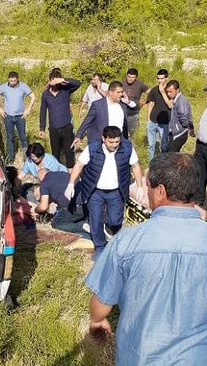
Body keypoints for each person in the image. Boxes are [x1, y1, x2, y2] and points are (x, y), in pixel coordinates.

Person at [85, 152, 207, 366]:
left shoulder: (126, 242)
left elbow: (102, 299)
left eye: (148, 185)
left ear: (160, 191)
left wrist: (97, 320)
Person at [66, 126, 143, 259]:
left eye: (117, 142)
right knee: (95, 219)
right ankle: (100, 247)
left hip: (116, 191)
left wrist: (140, 186)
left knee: (115, 219)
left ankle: (109, 231)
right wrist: (71, 184)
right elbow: (79, 165)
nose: (114, 145)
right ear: (103, 139)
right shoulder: (92, 148)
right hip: (95, 191)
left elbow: (135, 166)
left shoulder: (127, 148)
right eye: (111, 142)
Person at [39, 70, 80, 169]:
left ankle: (71, 178)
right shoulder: (45, 94)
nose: (54, 84)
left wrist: (62, 80)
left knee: (69, 153)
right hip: (53, 129)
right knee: (55, 154)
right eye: (52, 81)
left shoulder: (66, 90)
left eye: (56, 82)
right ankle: (57, 175)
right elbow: (43, 111)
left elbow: (77, 83)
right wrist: (42, 128)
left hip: (66, 127)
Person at [34, 168, 90, 239]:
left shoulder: (44, 183)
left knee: (56, 223)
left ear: (40, 179)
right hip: (87, 202)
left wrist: (36, 209)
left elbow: (43, 207)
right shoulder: (64, 174)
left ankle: (81, 226)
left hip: (74, 206)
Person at [72, 81, 130, 149]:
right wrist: (78, 135)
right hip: (100, 141)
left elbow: (125, 125)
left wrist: (125, 140)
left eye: (121, 92)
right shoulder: (98, 105)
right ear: (110, 92)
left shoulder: (123, 105)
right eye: (118, 92)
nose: (120, 94)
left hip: (117, 142)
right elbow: (87, 121)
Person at [0, 71, 36, 163]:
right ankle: (11, 158)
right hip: (8, 116)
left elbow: (33, 96)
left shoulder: (23, 86)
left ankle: (26, 158)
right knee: (10, 138)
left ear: (17, 79)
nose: (12, 83)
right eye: (11, 81)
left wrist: (28, 109)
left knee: (23, 137)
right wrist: (0, 109)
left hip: (20, 116)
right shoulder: (4, 87)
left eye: (14, 81)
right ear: (8, 79)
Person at [145, 69, 172, 160]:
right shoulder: (154, 90)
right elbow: (151, 104)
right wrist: (148, 120)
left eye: (162, 78)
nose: (159, 81)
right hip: (152, 121)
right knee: (151, 145)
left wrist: (163, 92)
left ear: (166, 78)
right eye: (158, 78)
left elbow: (170, 105)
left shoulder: (170, 90)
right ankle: (150, 163)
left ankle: (163, 163)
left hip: (164, 123)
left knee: (164, 145)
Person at [165, 79, 194, 152]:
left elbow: (184, 118)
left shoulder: (181, 101)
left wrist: (182, 127)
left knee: (171, 157)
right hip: (176, 133)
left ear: (177, 90)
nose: (168, 94)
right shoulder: (176, 100)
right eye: (167, 92)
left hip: (179, 134)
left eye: (170, 92)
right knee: (173, 156)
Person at [121, 68, 150, 139]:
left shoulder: (140, 84)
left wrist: (143, 103)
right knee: (121, 134)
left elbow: (152, 93)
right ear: (126, 76)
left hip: (133, 114)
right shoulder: (121, 83)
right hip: (122, 113)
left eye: (133, 77)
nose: (130, 79)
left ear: (136, 77)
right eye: (129, 77)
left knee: (132, 135)